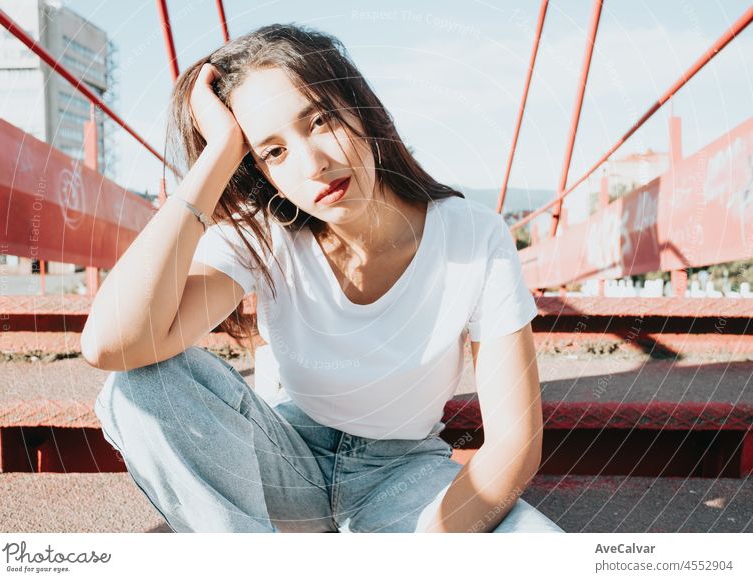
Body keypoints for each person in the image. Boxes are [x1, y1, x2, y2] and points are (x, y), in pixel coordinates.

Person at [82, 23, 564, 534]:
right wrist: (217, 157)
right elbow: (112, 344)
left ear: (363, 111)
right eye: (273, 151)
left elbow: (514, 443)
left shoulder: (473, 236)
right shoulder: (265, 234)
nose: (314, 164)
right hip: (283, 464)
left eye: (319, 121)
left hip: (401, 477)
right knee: (141, 385)